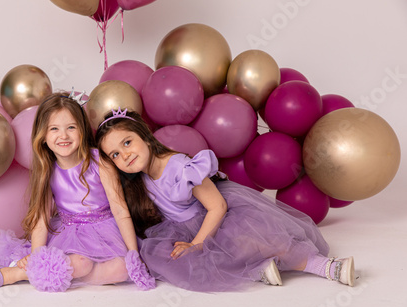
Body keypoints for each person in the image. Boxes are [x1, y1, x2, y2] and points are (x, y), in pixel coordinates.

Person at [95, 108, 356, 292]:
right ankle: (257, 269)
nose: (125, 155)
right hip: (184, 227)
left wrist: (197, 244)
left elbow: (217, 207)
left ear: (146, 137)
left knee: (261, 238)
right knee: (169, 257)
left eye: (128, 143)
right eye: (115, 155)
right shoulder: (139, 180)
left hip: (218, 216)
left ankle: (326, 267)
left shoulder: (181, 167)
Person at [0, 92, 154, 292]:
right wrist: (38, 257)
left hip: (105, 231)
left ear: (82, 131)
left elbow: (120, 210)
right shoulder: (48, 169)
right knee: (80, 262)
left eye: (71, 128)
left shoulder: (100, 162)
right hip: (68, 232)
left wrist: (133, 252)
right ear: (43, 135)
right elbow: (41, 218)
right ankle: (14, 274)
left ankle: (52, 273)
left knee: (123, 270)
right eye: (54, 129)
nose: (63, 136)